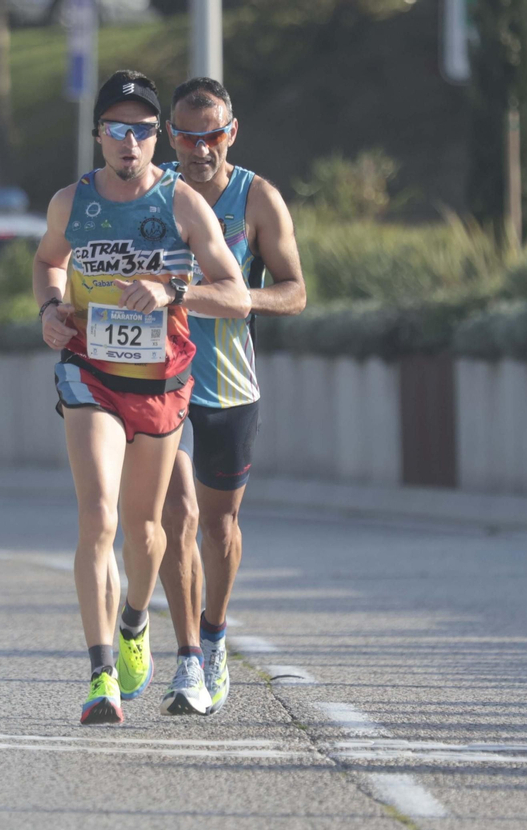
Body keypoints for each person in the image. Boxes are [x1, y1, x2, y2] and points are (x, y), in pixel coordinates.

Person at [35, 70, 250, 724]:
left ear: (157, 137)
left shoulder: (182, 204)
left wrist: (172, 292)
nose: (131, 142)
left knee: (146, 530)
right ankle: (101, 676)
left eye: (143, 130)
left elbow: (236, 292)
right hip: (89, 372)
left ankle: (135, 619)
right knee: (98, 516)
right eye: (117, 129)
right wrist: (49, 306)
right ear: (98, 135)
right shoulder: (72, 202)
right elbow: (49, 259)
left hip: (159, 382)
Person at [157, 77, 307, 714]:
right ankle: (188, 657)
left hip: (229, 383)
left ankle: (215, 634)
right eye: (187, 137)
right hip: (161, 378)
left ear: (231, 132)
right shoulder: (152, 191)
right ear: (172, 136)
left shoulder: (258, 198)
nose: (200, 150)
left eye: (212, 135)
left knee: (218, 528)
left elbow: (295, 291)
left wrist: (243, 299)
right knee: (177, 519)